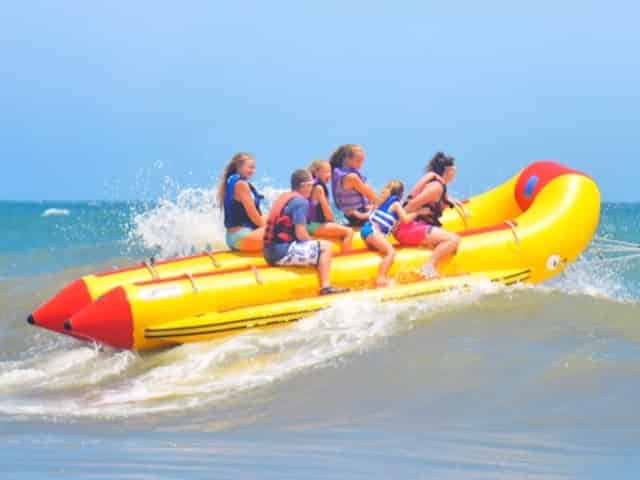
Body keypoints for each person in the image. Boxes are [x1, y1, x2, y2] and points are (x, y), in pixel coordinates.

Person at [263, 169, 349, 296]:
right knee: (326, 247)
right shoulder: (300, 202)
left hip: (268, 252)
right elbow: (301, 234)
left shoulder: (285, 198)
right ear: (304, 186)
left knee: (317, 245)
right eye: (311, 185)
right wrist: (315, 243)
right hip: (281, 253)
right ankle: (326, 286)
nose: (312, 188)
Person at [394, 152, 461, 278]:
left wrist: (449, 201)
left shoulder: (438, 185)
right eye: (454, 169)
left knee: (449, 243)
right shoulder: (436, 187)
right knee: (453, 239)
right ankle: (428, 266)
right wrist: (397, 223)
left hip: (412, 227)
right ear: (448, 171)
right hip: (407, 228)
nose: (456, 173)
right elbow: (412, 204)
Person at [360, 181, 429, 287]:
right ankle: (381, 278)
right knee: (391, 252)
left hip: (366, 230)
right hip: (373, 231)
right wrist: (418, 212)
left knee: (381, 250)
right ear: (401, 194)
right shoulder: (396, 204)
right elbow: (405, 219)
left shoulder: (381, 201)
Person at [218, 152, 266, 252]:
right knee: (279, 230)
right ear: (239, 167)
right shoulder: (241, 185)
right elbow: (253, 215)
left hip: (235, 237)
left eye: (254, 168)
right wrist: (268, 230)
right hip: (241, 238)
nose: (253, 171)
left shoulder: (235, 182)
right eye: (250, 167)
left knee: (273, 217)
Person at [307, 160, 354, 252]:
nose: (329, 174)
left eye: (330, 171)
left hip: (309, 224)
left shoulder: (310, 186)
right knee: (349, 232)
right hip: (313, 226)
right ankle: (345, 260)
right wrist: (334, 224)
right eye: (326, 172)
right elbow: (328, 215)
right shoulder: (319, 188)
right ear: (316, 172)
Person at [329, 144, 377, 226]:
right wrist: (374, 207)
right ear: (347, 159)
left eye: (362, 161)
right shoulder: (352, 177)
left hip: (351, 215)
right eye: (358, 161)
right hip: (358, 216)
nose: (360, 165)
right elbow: (372, 196)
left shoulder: (337, 173)